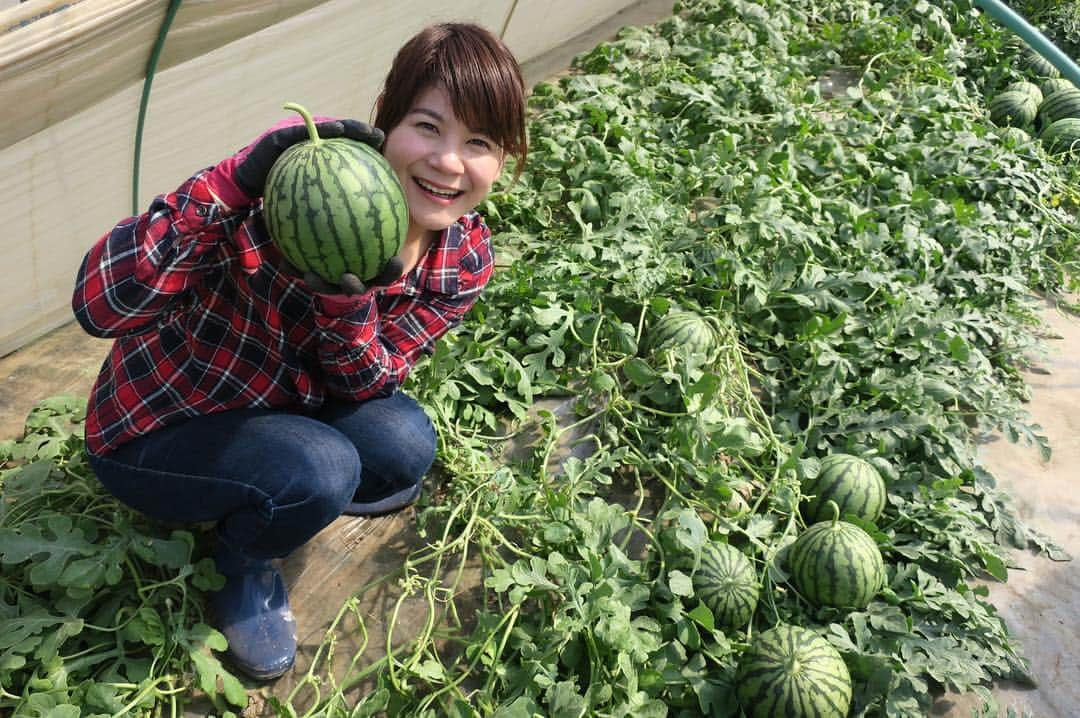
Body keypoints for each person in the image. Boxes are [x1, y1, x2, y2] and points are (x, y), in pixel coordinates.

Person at [71, 22, 528, 680]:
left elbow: (373, 379)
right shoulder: (277, 209)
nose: (450, 162)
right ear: (386, 126)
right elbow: (99, 305)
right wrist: (229, 185)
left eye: (478, 142)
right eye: (428, 127)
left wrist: (345, 310)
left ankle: (282, 489)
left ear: (501, 161)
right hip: (159, 430)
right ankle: (245, 563)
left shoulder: (463, 255)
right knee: (323, 468)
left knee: (403, 445)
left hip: (281, 400)